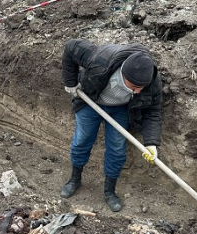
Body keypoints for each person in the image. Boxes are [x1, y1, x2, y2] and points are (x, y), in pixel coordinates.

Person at [61, 39, 163, 212]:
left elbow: (153, 112)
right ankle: (75, 178)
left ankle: (109, 191)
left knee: (116, 149)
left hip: (120, 110)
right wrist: (70, 82)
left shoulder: (151, 81)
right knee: (81, 141)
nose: (138, 92)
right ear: (124, 75)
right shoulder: (101, 60)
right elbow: (70, 47)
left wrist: (151, 143)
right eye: (135, 87)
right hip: (90, 102)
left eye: (142, 88)